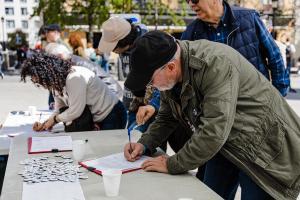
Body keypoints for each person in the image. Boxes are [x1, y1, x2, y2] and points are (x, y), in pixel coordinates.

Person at [123, 31, 300, 200]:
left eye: (151, 80)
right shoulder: (172, 74)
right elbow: (167, 117)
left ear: (170, 67)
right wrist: (145, 144)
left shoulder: (215, 63)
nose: (151, 86)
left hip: (264, 151)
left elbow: (214, 130)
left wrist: (172, 164)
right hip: (226, 145)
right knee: (206, 193)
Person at [181, 0, 289, 197]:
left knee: (256, 191)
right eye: (187, 1)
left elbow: (274, 57)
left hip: (255, 125)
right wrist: (153, 104)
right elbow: (176, 71)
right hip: (219, 127)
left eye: (194, 0)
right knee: (212, 192)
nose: (191, 4)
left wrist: (277, 100)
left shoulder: (248, 18)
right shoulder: (193, 32)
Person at [21, 53, 127, 132]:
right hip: (99, 117)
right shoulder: (57, 84)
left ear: (47, 74)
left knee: (106, 153)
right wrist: (46, 123)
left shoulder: (74, 77)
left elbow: (76, 111)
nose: (38, 83)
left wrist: (55, 120)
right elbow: (60, 109)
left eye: (38, 80)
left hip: (112, 115)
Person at [98, 17, 159, 133]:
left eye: (113, 47)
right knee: (130, 139)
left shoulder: (146, 48)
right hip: (132, 103)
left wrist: (152, 105)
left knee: (145, 143)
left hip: (149, 107)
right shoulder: (127, 45)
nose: (112, 51)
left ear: (123, 42)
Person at [44, 42, 123, 99]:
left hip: (111, 93)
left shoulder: (76, 64)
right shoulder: (71, 60)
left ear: (60, 56)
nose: (53, 64)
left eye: (52, 60)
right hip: (108, 92)